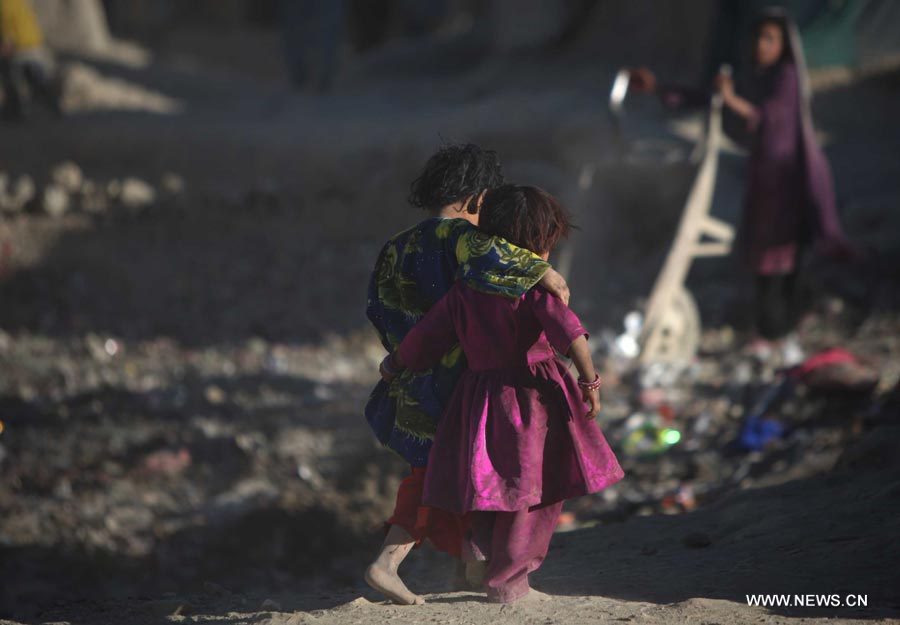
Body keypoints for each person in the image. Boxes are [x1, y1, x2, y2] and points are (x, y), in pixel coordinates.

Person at [381, 185, 624, 603]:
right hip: (532, 399)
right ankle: (509, 583)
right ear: (536, 246)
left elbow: (427, 337)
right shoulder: (532, 289)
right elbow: (571, 335)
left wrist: (395, 364)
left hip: (477, 398)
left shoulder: (464, 289)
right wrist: (590, 383)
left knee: (490, 482)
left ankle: (478, 553)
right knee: (530, 494)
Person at [364, 145, 571, 605]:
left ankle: (472, 566)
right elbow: (506, 262)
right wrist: (546, 274)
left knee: (441, 473)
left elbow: (378, 308)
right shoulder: (467, 239)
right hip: (461, 384)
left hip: (412, 377)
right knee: (449, 476)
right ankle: (390, 562)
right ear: (478, 198)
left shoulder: (396, 246)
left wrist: (401, 357)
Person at [630, 8, 855, 345]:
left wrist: (732, 98)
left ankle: (782, 327)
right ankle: (773, 328)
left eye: (770, 39)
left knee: (785, 257)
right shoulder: (750, 76)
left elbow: (771, 118)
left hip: (788, 181)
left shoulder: (786, 77)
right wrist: (658, 89)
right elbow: (706, 99)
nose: (762, 45)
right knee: (762, 260)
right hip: (763, 182)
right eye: (758, 37)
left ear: (783, 44)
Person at [0, 0, 62, 120]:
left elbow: (8, 20)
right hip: (33, 40)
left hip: (21, 44)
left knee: (12, 77)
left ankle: (15, 110)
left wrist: (8, 43)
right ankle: (51, 104)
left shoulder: (5, 3)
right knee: (34, 75)